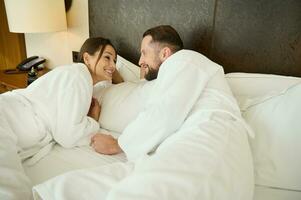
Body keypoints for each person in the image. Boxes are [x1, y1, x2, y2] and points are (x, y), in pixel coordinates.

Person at [34, 25, 254, 200]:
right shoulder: (174, 74)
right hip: (184, 138)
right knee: (80, 187)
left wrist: (118, 144)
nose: (140, 60)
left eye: (144, 53)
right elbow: (148, 95)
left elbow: (165, 111)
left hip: (211, 135)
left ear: (166, 52)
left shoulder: (186, 60)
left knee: (148, 189)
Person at [0, 37, 118, 200]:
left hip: (11, 114)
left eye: (115, 60)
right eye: (107, 57)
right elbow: (69, 135)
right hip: (9, 115)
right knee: (10, 191)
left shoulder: (78, 77)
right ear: (86, 58)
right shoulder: (80, 75)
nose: (113, 65)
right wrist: (93, 121)